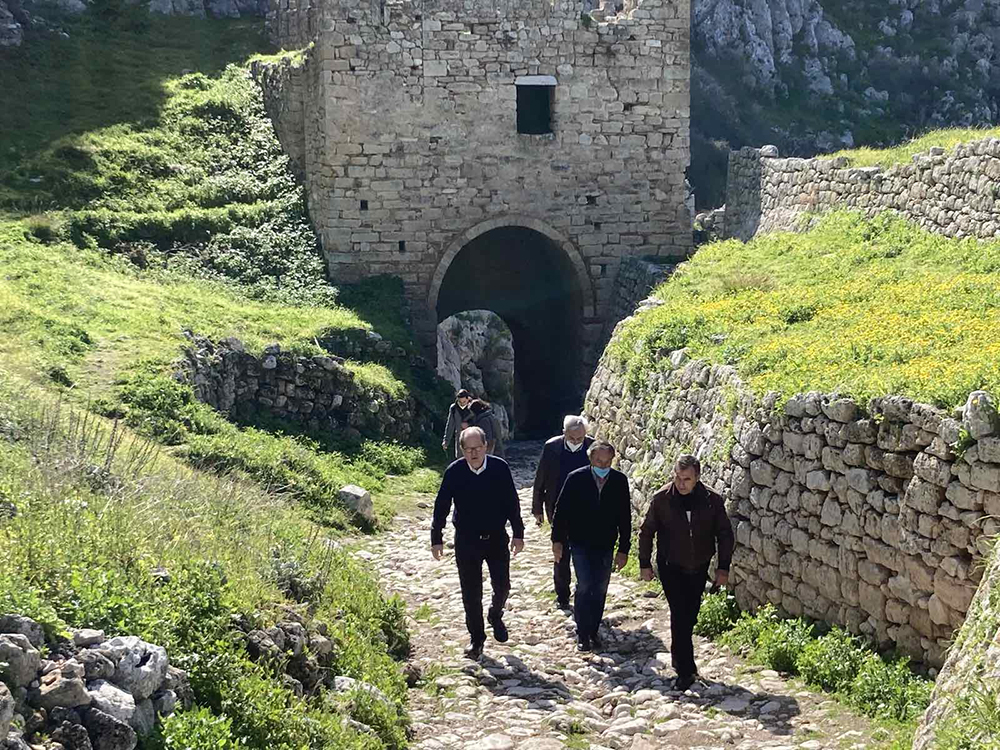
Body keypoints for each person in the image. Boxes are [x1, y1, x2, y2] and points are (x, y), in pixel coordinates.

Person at [638, 454, 734, 691]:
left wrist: (723, 568)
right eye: (678, 478)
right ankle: (685, 669)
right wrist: (644, 563)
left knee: (690, 615)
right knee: (679, 613)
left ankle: (680, 658)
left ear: (697, 478)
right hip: (671, 566)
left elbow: (724, 534)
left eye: (687, 479)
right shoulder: (662, 499)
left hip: (699, 565)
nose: (681, 484)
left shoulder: (712, 500)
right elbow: (647, 531)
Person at [431, 426, 525, 660]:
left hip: (496, 538)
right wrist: (436, 537)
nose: (473, 453)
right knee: (471, 592)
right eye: (468, 449)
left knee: (502, 585)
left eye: (477, 448)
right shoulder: (455, 472)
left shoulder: (499, 468)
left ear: (486, 447)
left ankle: (495, 614)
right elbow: (442, 504)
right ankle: (477, 638)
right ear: (461, 450)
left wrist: (518, 532)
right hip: (467, 540)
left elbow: (512, 501)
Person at [551, 440, 631, 652]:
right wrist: (557, 541)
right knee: (585, 584)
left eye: (607, 462)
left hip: (605, 543)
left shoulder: (619, 481)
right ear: (591, 459)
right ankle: (583, 632)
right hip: (579, 541)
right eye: (598, 461)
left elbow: (625, 516)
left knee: (600, 587)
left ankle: (594, 630)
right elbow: (561, 511)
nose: (603, 466)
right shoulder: (576, 479)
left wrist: (624, 548)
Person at [532, 415, 594, 609]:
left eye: (580, 439)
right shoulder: (552, 447)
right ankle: (562, 594)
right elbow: (541, 477)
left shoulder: (593, 447)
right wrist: (537, 507)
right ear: (564, 433)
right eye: (572, 438)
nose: (576, 442)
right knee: (561, 552)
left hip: (586, 509)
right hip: (557, 507)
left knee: (585, 552)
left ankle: (584, 590)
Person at [442, 389, 473, 458]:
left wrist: (469, 425)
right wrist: (446, 441)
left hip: (472, 437)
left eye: (464, 402)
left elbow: (478, 421)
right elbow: (450, 425)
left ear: (468, 399)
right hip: (460, 438)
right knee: (460, 459)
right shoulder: (453, 408)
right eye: (460, 402)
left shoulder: (473, 407)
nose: (462, 404)